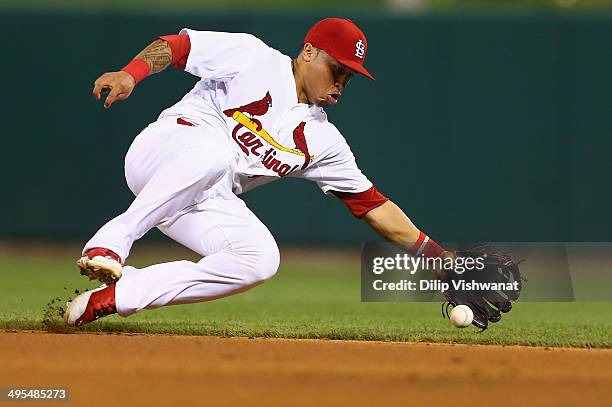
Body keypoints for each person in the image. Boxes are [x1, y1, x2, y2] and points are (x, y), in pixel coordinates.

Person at [64, 18, 446, 327]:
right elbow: (178, 47)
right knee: (215, 154)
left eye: (349, 76)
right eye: (337, 69)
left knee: (259, 258)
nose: (341, 83)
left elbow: (372, 204)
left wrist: (441, 261)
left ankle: (120, 294)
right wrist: (132, 73)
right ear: (308, 52)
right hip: (163, 151)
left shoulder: (323, 139)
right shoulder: (255, 57)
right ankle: (109, 243)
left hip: (198, 197)